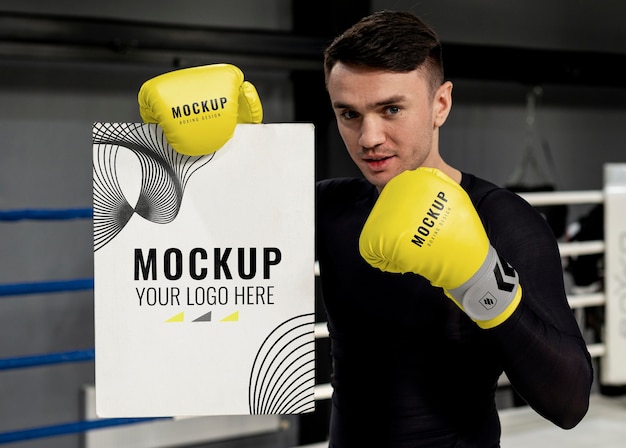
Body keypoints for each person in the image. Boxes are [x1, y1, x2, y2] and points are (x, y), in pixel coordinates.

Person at [316, 10, 593, 447]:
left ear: (440, 104)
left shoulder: (501, 218)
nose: (368, 137)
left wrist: (480, 281)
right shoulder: (329, 206)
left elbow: (570, 401)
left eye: (391, 109)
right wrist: (217, 148)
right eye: (349, 114)